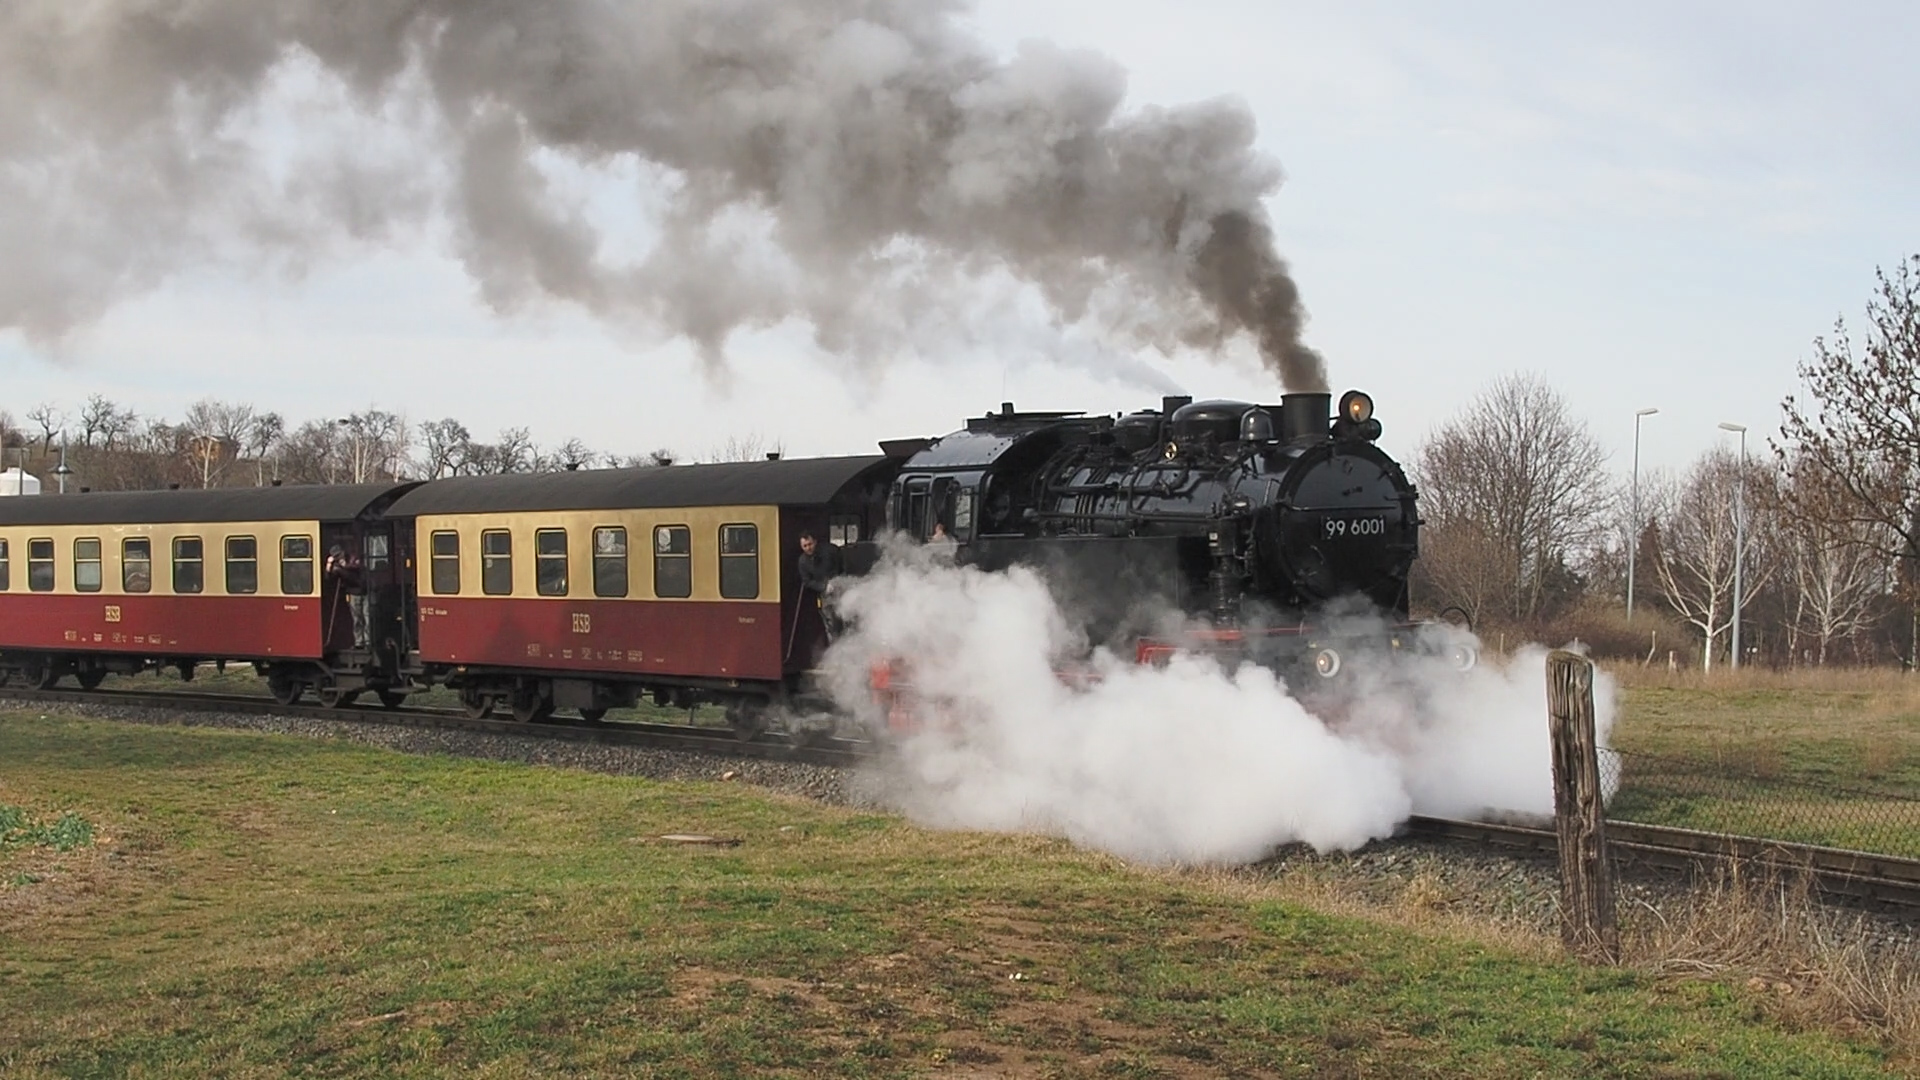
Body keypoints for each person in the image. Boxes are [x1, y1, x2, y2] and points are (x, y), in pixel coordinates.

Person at [796, 531, 843, 641]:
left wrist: (837, 580)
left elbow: (842, 564)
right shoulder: (802, 561)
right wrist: (823, 587)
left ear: (815, 542)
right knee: (831, 624)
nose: (808, 548)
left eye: (810, 544)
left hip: (840, 588)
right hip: (824, 594)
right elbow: (807, 581)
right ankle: (835, 647)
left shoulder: (830, 550)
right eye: (805, 546)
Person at [325, 543, 368, 648]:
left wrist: (343, 567)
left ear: (343, 552)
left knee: (367, 617)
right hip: (353, 593)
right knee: (357, 619)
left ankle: (368, 641)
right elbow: (328, 578)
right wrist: (329, 566)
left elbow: (357, 569)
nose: (339, 557)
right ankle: (359, 642)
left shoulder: (353, 558)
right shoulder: (337, 566)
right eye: (336, 556)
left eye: (339, 554)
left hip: (365, 591)